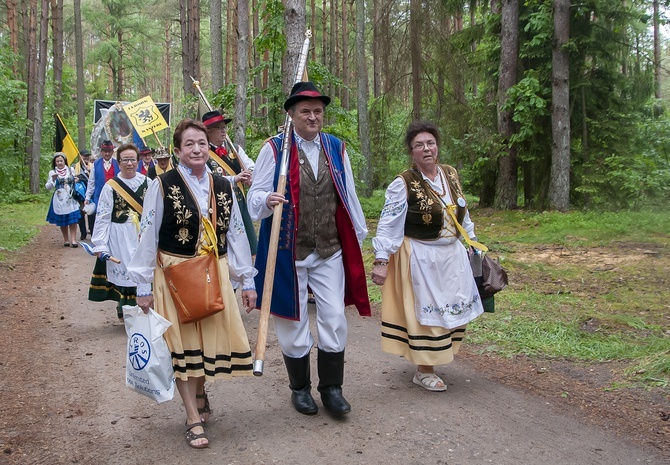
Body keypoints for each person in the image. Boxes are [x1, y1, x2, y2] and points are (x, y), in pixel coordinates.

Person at [127, 119, 257, 449]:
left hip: (214, 273)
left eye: (201, 142)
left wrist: (247, 279)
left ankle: (200, 390)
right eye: (189, 144)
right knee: (183, 346)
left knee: (206, 343)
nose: (197, 148)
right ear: (178, 150)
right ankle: (192, 417)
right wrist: (143, 285)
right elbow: (148, 232)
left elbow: (236, 232)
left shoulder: (223, 185)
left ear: (208, 146)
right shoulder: (162, 184)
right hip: (175, 275)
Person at [248, 81, 371, 417]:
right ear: (292, 114)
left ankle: (332, 389)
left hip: (329, 250)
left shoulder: (336, 148)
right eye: (306, 111)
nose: (313, 117)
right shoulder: (274, 150)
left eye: (318, 111)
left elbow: (349, 196)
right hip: (289, 252)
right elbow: (254, 198)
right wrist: (266, 199)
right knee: (292, 321)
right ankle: (300, 389)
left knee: (333, 317)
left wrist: (357, 238)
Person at [370, 121, 486, 392]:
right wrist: (381, 260)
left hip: (453, 256)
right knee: (426, 315)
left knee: (452, 309)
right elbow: (388, 223)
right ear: (411, 152)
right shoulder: (403, 183)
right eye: (419, 145)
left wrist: (473, 241)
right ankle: (424, 370)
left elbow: (462, 211)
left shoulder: (450, 174)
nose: (426, 149)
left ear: (438, 146)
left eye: (430, 143)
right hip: (421, 256)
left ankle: (436, 357)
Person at [88, 143, 150, 320]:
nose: (129, 163)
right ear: (119, 162)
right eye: (125, 160)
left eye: (132, 159)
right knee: (125, 268)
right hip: (119, 235)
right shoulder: (111, 186)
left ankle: (144, 308)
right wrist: (100, 243)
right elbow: (103, 216)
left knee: (143, 269)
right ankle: (125, 307)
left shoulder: (148, 183)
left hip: (142, 235)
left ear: (138, 161)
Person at [202, 110, 257, 255]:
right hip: (218, 205)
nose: (223, 131)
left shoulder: (235, 149)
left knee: (247, 245)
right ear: (208, 132)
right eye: (218, 128)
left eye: (224, 128)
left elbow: (251, 165)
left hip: (239, 202)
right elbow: (207, 179)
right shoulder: (203, 155)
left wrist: (249, 174)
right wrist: (234, 179)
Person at [45, 152, 82, 247]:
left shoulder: (70, 170)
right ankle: (66, 239)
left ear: (65, 161)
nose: (60, 163)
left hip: (70, 197)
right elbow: (48, 187)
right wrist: (53, 180)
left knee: (73, 219)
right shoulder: (52, 172)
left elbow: (75, 181)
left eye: (61, 160)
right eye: (57, 161)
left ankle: (73, 239)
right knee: (63, 219)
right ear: (55, 162)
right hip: (60, 198)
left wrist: (76, 180)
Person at [84, 140, 120, 235]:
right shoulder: (96, 164)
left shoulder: (118, 164)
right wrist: (87, 198)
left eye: (109, 151)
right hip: (99, 197)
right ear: (101, 152)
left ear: (112, 152)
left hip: (115, 196)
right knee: (100, 219)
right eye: (105, 151)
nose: (107, 153)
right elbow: (91, 182)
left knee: (114, 218)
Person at [74, 149, 94, 240]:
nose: (86, 158)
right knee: (81, 214)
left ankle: (92, 231)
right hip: (80, 194)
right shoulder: (75, 167)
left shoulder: (92, 167)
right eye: (84, 156)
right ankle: (83, 232)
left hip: (91, 193)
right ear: (80, 157)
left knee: (91, 213)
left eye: (87, 156)